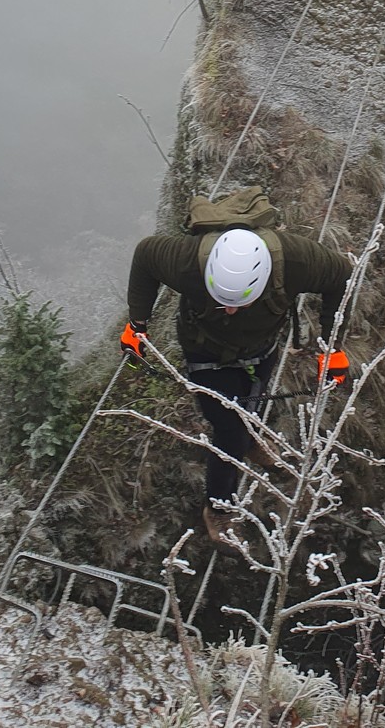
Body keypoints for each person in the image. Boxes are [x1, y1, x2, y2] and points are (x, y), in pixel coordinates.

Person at [120, 223, 352, 553]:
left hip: (261, 346)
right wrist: (137, 324)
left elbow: (342, 274)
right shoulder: (187, 261)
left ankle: (250, 441)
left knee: (250, 401)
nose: (229, 310)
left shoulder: (295, 261)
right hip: (204, 352)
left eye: (239, 302)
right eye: (221, 300)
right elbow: (145, 255)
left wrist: (332, 347)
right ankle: (218, 507)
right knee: (228, 431)